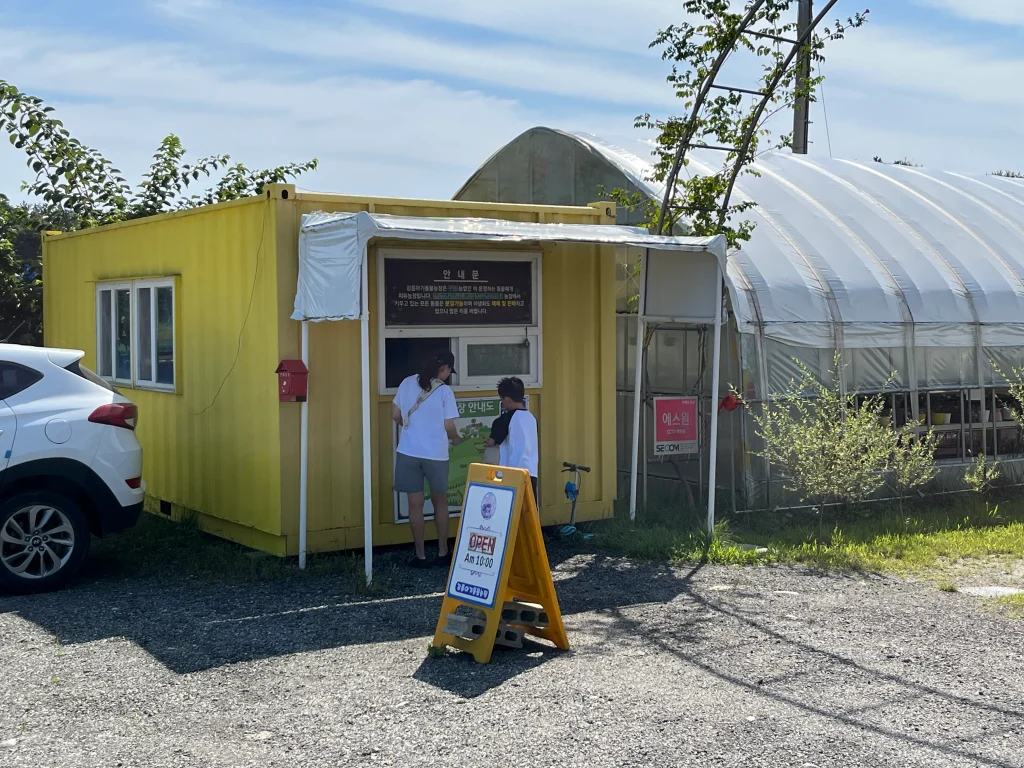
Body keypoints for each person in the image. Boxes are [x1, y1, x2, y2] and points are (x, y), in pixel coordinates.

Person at [392, 350, 461, 569]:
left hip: (409, 452)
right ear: (445, 368)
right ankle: (442, 552)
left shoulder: (406, 383)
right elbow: (448, 426)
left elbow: (395, 415)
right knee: (440, 502)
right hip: (435, 454)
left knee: (415, 505)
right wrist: (456, 439)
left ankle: (420, 555)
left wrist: (413, 430)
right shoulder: (445, 392)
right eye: (449, 370)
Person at [485, 377, 539, 502]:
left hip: (511, 474)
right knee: (529, 512)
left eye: (502, 399)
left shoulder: (504, 420)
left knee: (511, 513)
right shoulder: (531, 418)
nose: (502, 403)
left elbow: (491, 442)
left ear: (507, 399)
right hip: (531, 473)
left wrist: (488, 442)